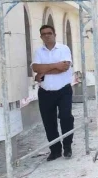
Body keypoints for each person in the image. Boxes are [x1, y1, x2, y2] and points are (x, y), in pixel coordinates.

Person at [32, 25, 75, 161]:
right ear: (41, 37)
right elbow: (35, 67)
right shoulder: (38, 51)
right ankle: (55, 150)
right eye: (44, 34)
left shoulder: (64, 49)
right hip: (45, 92)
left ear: (54, 34)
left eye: (49, 33)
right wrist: (55, 65)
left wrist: (43, 70)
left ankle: (67, 147)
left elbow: (64, 67)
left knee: (66, 118)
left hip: (63, 91)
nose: (47, 35)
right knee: (49, 122)